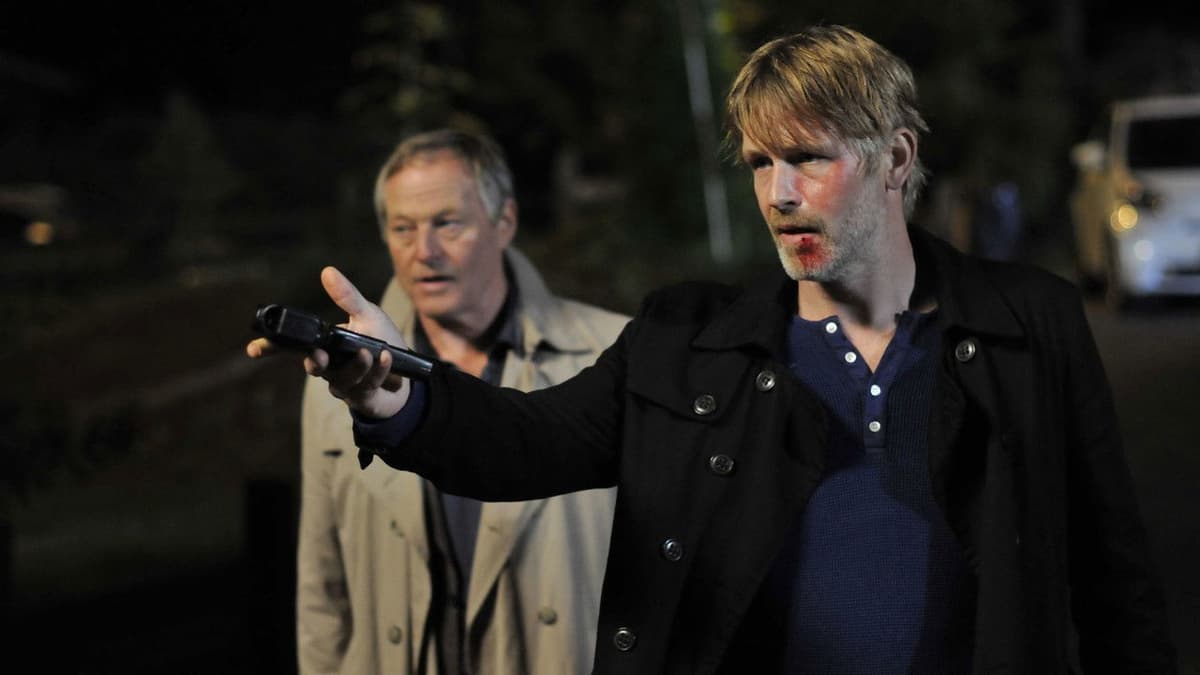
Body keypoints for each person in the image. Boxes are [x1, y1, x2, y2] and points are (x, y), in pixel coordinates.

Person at [251, 26, 1178, 674]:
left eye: (808, 157)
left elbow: (1114, 573)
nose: (778, 194)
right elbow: (525, 442)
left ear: (897, 159)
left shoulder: (1029, 322)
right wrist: (393, 399)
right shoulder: (687, 341)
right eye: (760, 163)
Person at [293, 128, 629, 675]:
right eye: (403, 228)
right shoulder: (343, 380)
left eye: (447, 223)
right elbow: (322, 585)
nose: (424, 251)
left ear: (505, 222)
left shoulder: (610, 353)